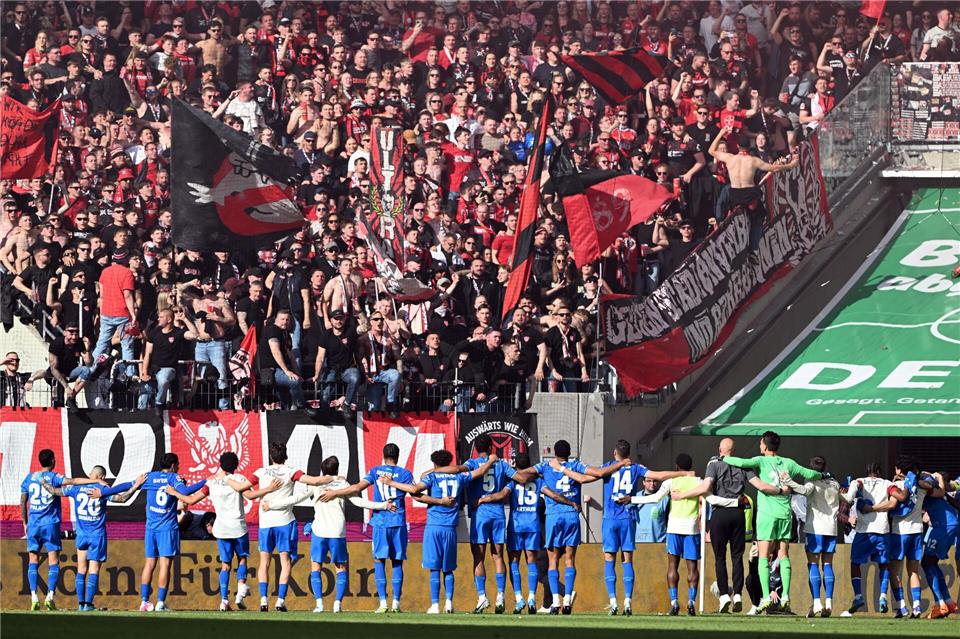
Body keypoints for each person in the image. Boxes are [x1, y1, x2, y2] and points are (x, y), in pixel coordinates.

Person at [569, 440, 690, 616]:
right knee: (627, 560)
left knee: (609, 559)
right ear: (628, 453)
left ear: (615, 453)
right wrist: (682, 473)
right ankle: (627, 601)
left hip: (610, 519)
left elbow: (584, 478)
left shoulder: (608, 467)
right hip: (627, 518)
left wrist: (564, 470)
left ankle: (613, 602)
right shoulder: (636, 468)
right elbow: (658, 475)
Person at [262, 455, 395, 613]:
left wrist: (271, 504)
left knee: (316, 566)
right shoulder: (343, 484)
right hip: (337, 531)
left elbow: (296, 498)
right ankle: (337, 604)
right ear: (337, 469)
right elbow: (359, 502)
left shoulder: (317, 484)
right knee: (340, 567)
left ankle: (319, 604)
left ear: (322, 470)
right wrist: (383, 505)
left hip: (319, 530)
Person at [670, 437, 783, 614]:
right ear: (734, 451)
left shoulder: (714, 464)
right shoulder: (743, 465)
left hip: (719, 514)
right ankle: (737, 594)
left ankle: (724, 595)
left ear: (720, 450)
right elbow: (760, 485)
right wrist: (781, 491)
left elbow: (704, 487)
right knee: (737, 557)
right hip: (738, 515)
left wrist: (681, 495)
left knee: (720, 557)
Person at [379, 449, 497, 614]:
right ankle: (449, 603)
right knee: (448, 568)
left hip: (434, 527)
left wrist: (392, 483)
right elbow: (479, 472)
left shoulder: (432, 477)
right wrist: (490, 461)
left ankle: (435, 605)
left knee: (434, 568)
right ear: (449, 463)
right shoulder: (459, 477)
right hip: (450, 528)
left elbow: (414, 489)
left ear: (434, 463)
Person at [722, 431, 823, 614]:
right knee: (783, 554)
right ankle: (785, 596)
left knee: (763, 556)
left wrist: (724, 457)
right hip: (785, 514)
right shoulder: (789, 463)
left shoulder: (760, 461)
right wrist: (822, 474)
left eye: (761, 443)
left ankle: (766, 597)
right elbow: (810, 473)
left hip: (767, 515)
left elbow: (741, 462)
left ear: (765, 446)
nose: (760, 445)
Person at [226, 441, 335, 612]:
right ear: (285, 455)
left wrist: (226, 478)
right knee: (286, 562)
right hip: (284, 522)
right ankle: (280, 601)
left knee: (264, 562)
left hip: (266, 524)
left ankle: (263, 600)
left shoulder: (261, 472)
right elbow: (314, 481)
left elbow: (244, 490)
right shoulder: (291, 471)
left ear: (271, 456)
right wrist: (333, 477)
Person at [318, 443, 414, 613]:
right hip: (398, 521)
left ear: (383, 456)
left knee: (379, 561)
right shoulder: (405, 474)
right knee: (397, 562)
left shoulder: (376, 471)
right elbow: (414, 491)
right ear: (398, 456)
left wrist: (335, 492)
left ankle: (383, 603)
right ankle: (396, 603)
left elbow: (356, 488)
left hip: (380, 522)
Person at [42, 468, 146, 611]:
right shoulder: (102, 489)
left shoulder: (76, 488)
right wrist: (135, 486)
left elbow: (54, 491)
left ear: (92, 475)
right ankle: (88, 604)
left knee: (81, 569)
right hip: (97, 536)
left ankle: (80, 605)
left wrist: (42, 481)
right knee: (94, 570)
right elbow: (122, 498)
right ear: (102, 476)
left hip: (81, 535)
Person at [510, 439, 595, 615]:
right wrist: (572, 503)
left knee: (548, 561)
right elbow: (593, 475)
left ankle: (553, 600)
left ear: (554, 453)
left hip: (546, 520)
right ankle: (567, 599)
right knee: (569, 559)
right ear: (569, 452)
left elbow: (517, 481)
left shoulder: (542, 469)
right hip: (567, 517)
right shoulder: (574, 467)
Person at [163, 452, 253, 611]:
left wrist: (175, 493)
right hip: (238, 527)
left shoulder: (212, 482)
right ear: (236, 465)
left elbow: (191, 500)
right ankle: (240, 591)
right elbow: (250, 495)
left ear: (220, 464)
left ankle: (224, 601)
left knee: (225, 565)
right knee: (242, 559)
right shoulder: (239, 479)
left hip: (222, 528)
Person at [20, 449, 102, 611]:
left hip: (34, 524)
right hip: (50, 524)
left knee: (33, 561)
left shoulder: (30, 478)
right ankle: (50, 596)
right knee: (54, 561)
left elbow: (23, 502)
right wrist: (93, 480)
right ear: (52, 461)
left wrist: (25, 523)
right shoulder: (54, 477)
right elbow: (73, 481)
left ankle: (34, 597)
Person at [631, 454, 701, 616]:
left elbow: (656, 498)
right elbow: (709, 497)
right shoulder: (698, 481)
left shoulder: (671, 482)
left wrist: (632, 499)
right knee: (692, 567)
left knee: (672, 566)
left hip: (674, 528)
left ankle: (674, 602)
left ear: (676, 466)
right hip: (691, 529)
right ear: (691, 466)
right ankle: (691, 602)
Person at [708, 126, 798, 250]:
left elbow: (711, 150)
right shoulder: (753, 160)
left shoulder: (729, 158)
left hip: (734, 194)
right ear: (749, 147)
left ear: (738, 147)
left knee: (736, 218)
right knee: (759, 217)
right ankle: (753, 248)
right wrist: (791, 165)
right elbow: (774, 168)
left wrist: (721, 133)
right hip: (749, 195)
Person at [138, 453, 208, 612]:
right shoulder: (174, 478)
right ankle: (160, 603)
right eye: (178, 464)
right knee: (165, 565)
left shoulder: (150, 476)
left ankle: (144, 602)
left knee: (149, 564)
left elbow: (128, 485)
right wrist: (205, 481)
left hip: (151, 528)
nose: (179, 467)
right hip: (167, 528)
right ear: (172, 465)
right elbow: (186, 491)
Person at [778, 456, 841, 618]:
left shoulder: (812, 481)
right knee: (827, 564)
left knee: (813, 563)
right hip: (831, 529)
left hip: (815, 528)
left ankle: (817, 601)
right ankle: (829, 602)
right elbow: (845, 498)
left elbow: (804, 490)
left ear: (810, 469)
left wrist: (788, 481)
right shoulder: (834, 483)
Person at [839, 463, 892, 617]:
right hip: (882, 530)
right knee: (884, 564)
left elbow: (849, 498)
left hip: (864, 531)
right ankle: (883, 596)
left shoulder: (859, 481)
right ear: (879, 472)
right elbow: (897, 498)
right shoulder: (888, 483)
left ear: (867, 472)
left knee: (855, 564)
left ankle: (858, 596)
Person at [92, 249, 138, 376]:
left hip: (106, 312)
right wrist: (133, 314)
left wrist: (101, 311)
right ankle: (128, 375)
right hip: (123, 313)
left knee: (102, 342)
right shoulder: (127, 273)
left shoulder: (105, 271)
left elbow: (101, 295)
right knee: (127, 346)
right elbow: (127, 295)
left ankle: (91, 368)